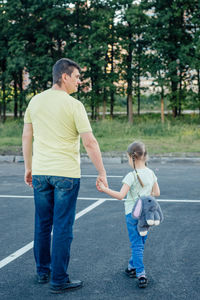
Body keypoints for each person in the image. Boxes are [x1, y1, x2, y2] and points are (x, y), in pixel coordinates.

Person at [22, 58, 107, 294]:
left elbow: (26, 136)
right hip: (66, 175)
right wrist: (101, 172)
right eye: (77, 77)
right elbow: (89, 141)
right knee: (62, 227)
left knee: (42, 224)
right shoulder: (74, 105)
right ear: (64, 76)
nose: (79, 82)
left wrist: (28, 167)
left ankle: (43, 272)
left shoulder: (35, 101)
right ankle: (59, 280)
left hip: (40, 173)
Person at [97, 141, 160, 288]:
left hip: (132, 214)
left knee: (136, 245)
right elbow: (156, 192)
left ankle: (141, 273)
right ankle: (132, 266)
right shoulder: (151, 173)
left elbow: (120, 195)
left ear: (131, 157)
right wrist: (146, 194)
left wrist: (104, 189)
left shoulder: (131, 175)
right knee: (141, 242)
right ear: (144, 156)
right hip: (146, 216)